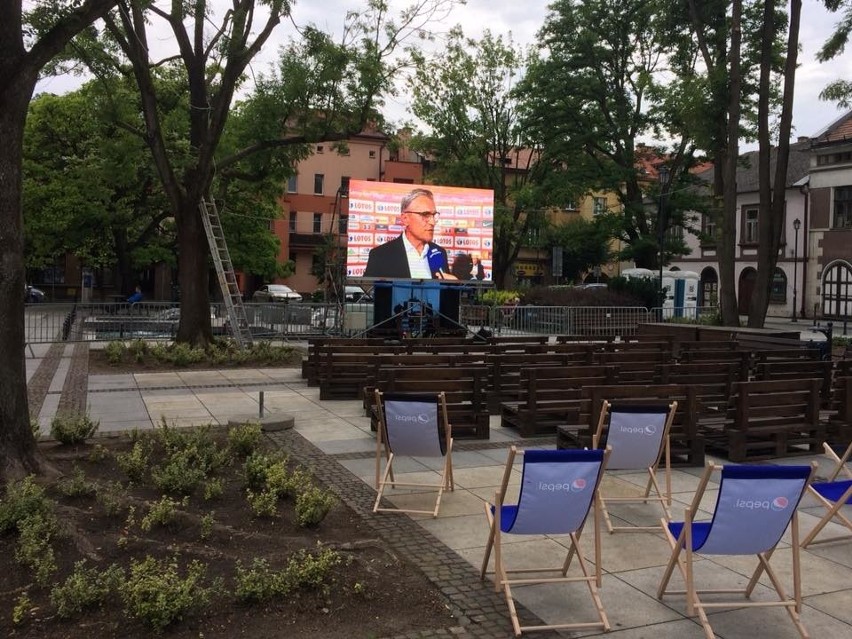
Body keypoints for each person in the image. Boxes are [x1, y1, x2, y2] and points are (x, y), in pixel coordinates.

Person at [363, 188, 457, 280]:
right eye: (425, 215)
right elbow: (368, 294)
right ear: (405, 219)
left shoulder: (439, 253)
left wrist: (452, 287)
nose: (432, 222)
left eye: (434, 215)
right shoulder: (381, 255)